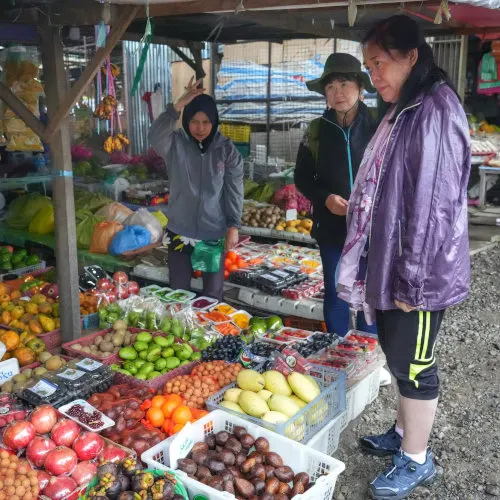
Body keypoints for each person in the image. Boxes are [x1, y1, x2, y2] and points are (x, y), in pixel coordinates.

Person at [337, 15, 471, 499]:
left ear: (411, 57)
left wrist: (413, 287)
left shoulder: (434, 110)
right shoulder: (409, 105)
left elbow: (432, 210)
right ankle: (401, 433)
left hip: (419, 275)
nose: (373, 77)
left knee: (415, 365)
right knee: (397, 356)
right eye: (369, 67)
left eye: (378, 64)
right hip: (398, 266)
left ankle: (417, 459)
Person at [294, 53, 377, 336]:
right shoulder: (316, 131)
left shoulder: (380, 125)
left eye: (344, 83)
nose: (338, 92)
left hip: (372, 229)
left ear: (360, 86)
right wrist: (325, 198)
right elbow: (302, 178)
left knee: (372, 297)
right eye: (331, 86)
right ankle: (340, 355)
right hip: (331, 229)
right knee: (337, 293)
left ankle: (369, 356)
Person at [149, 78, 244, 301]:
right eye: (194, 121)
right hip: (180, 231)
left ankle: (208, 334)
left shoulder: (226, 150)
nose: (200, 128)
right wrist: (177, 106)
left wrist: (234, 224)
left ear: (214, 122)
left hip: (212, 233)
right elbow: (154, 136)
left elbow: (234, 190)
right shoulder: (175, 144)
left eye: (205, 122)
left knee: (211, 295)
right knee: (178, 292)